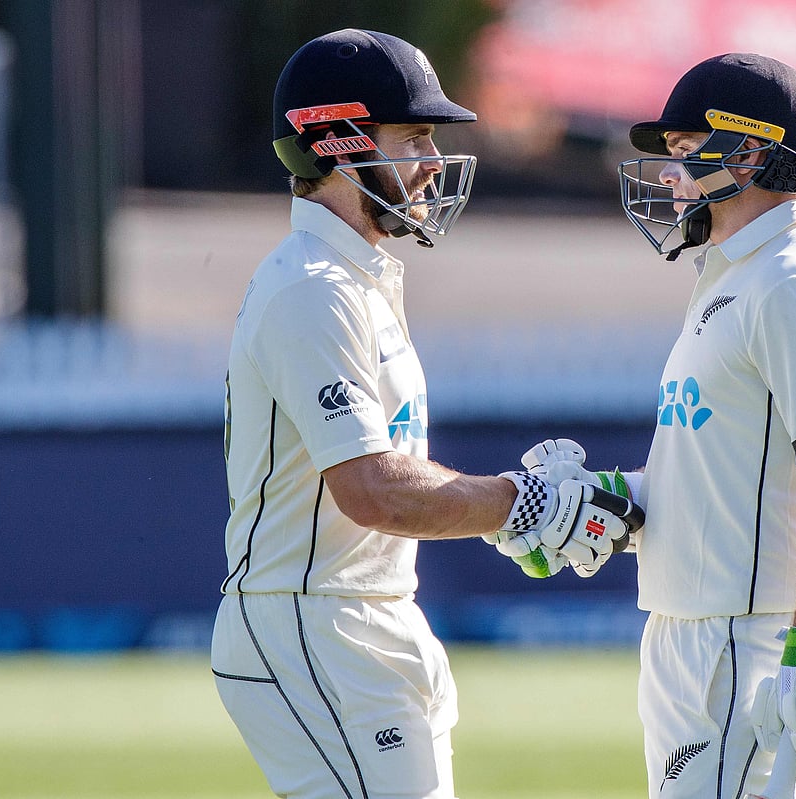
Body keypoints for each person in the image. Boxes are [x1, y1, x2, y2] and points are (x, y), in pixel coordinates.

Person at [208, 28, 641, 799]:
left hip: (362, 619)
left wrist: (514, 507)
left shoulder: (355, 279)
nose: (434, 161)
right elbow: (373, 490)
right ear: (339, 144)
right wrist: (522, 503)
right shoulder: (315, 287)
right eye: (412, 136)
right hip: (315, 625)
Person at [520, 54, 796, 798]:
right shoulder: (731, 274)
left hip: (752, 642)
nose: (672, 174)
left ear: (747, 152)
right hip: (694, 634)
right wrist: (608, 500)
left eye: (686, 152)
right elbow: (721, 469)